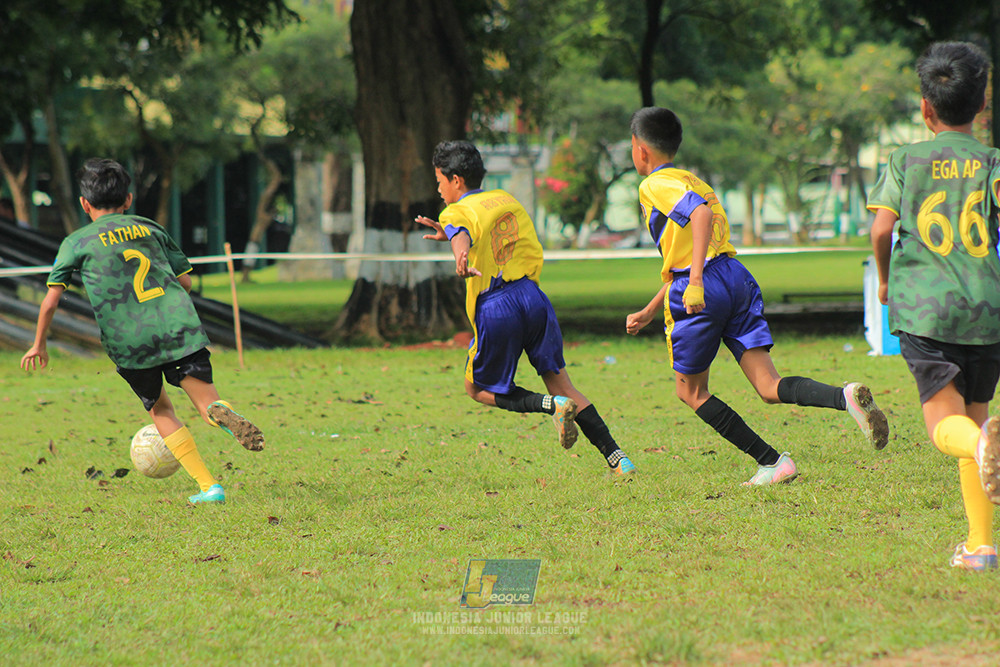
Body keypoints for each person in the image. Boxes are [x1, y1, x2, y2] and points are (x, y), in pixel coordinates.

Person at [625, 107, 889, 486]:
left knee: (691, 391)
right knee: (768, 386)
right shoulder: (694, 180)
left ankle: (772, 461)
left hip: (702, 283)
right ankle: (844, 396)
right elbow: (693, 246)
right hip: (735, 276)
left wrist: (695, 281)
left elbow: (698, 219)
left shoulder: (654, 184)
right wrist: (653, 308)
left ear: (640, 149)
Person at [20, 158, 264, 504]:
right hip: (178, 329)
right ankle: (218, 411)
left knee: (161, 410)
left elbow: (49, 302)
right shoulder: (149, 228)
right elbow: (186, 281)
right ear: (129, 199)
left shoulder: (75, 243)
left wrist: (38, 344)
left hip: (130, 343)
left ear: (84, 203)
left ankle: (209, 487)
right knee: (206, 401)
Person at [416, 140, 635, 475]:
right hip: (533, 299)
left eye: (440, 181)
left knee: (476, 388)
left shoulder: (455, 210)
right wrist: (453, 237)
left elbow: (462, 230)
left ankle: (551, 406)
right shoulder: (506, 199)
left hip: (497, 304)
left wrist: (459, 253)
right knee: (563, 382)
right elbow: (480, 231)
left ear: (456, 180)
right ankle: (619, 459)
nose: (439, 189)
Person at [868, 41, 1000, 571]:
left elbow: (881, 229)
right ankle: (981, 546)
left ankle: (988, 445)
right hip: (988, 310)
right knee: (976, 423)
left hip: (927, 311)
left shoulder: (904, 160)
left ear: (925, 108)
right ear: (983, 102)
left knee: (950, 429)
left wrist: (883, 281)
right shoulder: (992, 161)